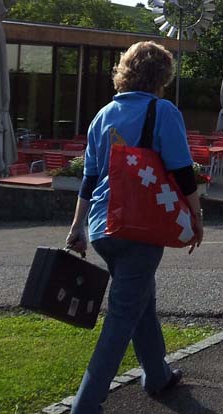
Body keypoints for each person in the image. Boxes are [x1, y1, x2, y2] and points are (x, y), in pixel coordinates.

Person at [66, 41, 204, 413]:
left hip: (101, 227)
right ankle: (86, 404)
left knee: (141, 299)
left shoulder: (103, 114)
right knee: (122, 315)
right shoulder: (163, 111)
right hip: (139, 225)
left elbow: (89, 179)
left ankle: (156, 374)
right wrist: (196, 215)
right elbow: (180, 171)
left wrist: (77, 226)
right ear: (163, 76)